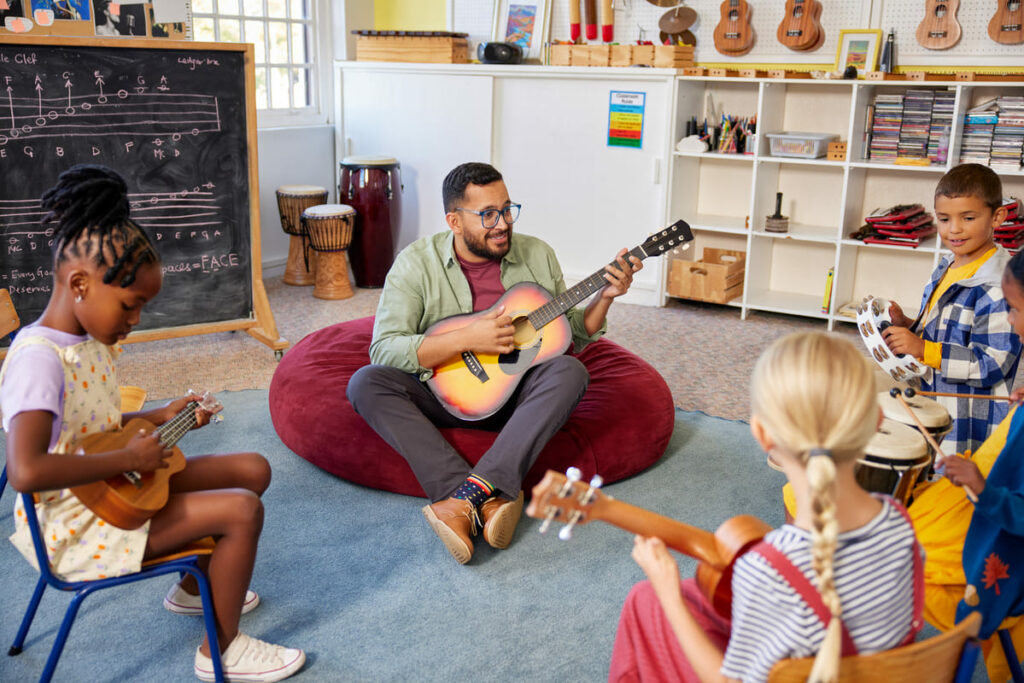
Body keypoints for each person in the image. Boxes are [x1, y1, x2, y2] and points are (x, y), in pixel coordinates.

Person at [0, 165, 305, 683]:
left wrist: (161, 416)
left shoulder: (89, 342)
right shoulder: (38, 359)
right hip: (76, 525)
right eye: (130, 304)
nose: (136, 319)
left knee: (252, 468)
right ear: (79, 283)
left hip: (108, 485)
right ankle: (220, 650)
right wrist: (127, 458)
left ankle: (193, 590)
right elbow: (26, 471)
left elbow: (89, 427)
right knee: (241, 511)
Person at [347, 161, 642, 564]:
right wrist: (467, 338)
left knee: (570, 371)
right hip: (442, 393)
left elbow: (574, 333)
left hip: (516, 400)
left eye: (507, 209)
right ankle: (485, 496)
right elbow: (384, 349)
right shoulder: (416, 263)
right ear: (454, 220)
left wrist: (605, 296)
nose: (502, 223)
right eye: (487, 215)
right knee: (366, 382)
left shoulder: (537, 255)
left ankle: (462, 500)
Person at [608, 332, 922, 683]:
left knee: (648, 598)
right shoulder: (900, 521)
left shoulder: (769, 569)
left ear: (761, 434)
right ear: (878, 422)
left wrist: (669, 595)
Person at [909, 249, 1024, 683]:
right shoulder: (945, 269)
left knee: (901, 552)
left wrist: (982, 488)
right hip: (991, 499)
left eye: (1013, 308)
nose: (1010, 321)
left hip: (1003, 537)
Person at [883, 163, 1021, 456]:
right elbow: (939, 328)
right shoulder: (947, 265)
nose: (954, 229)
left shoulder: (999, 287)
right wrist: (908, 325)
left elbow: (992, 364)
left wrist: (923, 348)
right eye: (944, 219)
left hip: (965, 414)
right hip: (930, 391)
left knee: (951, 475)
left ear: (997, 217)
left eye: (968, 218)